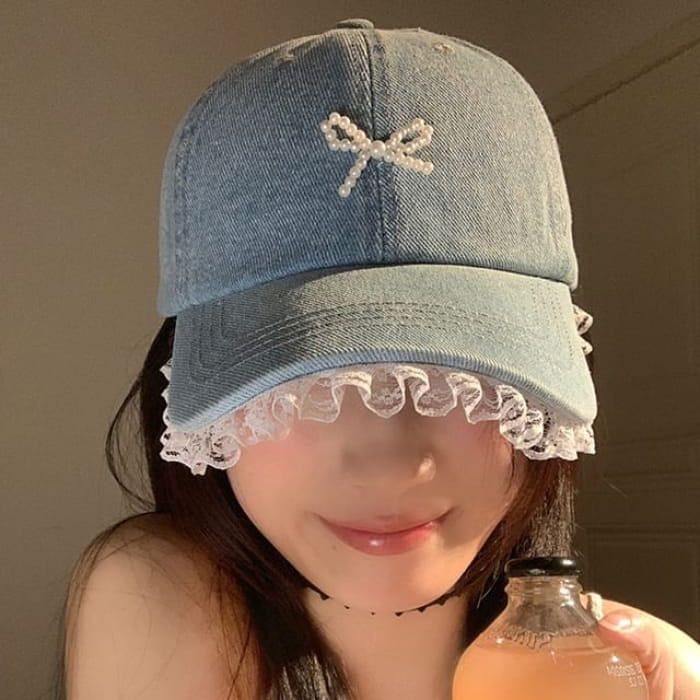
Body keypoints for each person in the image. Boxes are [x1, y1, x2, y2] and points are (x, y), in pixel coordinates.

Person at [57, 17, 699, 700]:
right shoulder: (157, 594)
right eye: (307, 381)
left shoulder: (614, 666)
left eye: (454, 376)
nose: (390, 462)